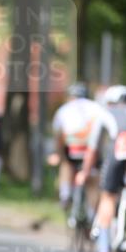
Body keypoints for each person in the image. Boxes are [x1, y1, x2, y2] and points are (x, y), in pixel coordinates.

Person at [76, 85, 126, 252]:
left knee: (108, 197)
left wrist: (85, 172)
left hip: (121, 149)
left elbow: (93, 148)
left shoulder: (106, 113)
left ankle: (103, 250)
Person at [49, 82, 104, 221]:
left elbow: (58, 134)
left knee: (66, 164)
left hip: (73, 148)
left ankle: (65, 194)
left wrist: (58, 153)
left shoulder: (63, 109)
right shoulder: (96, 107)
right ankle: (92, 215)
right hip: (91, 150)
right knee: (92, 180)